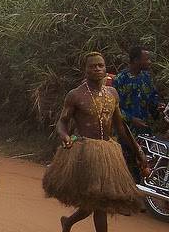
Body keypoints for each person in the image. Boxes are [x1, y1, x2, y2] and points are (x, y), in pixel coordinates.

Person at [42, 52, 149, 232]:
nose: (97, 69)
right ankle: (69, 223)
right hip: (86, 151)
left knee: (94, 201)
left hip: (108, 153)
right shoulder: (75, 95)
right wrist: (65, 136)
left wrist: (138, 151)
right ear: (86, 70)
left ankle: (68, 222)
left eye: (101, 65)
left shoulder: (112, 93)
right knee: (99, 204)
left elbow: (121, 127)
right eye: (93, 66)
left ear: (106, 69)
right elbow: (62, 121)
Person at [112, 46, 165, 181]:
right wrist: (131, 119)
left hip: (144, 129)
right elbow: (114, 107)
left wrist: (158, 106)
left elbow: (152, 98)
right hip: (126, 131)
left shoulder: (146, 77)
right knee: (127, 164)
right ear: (136, 60)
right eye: (146, 59)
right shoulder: (120, 79)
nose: (149, 62)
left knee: (145, 163)